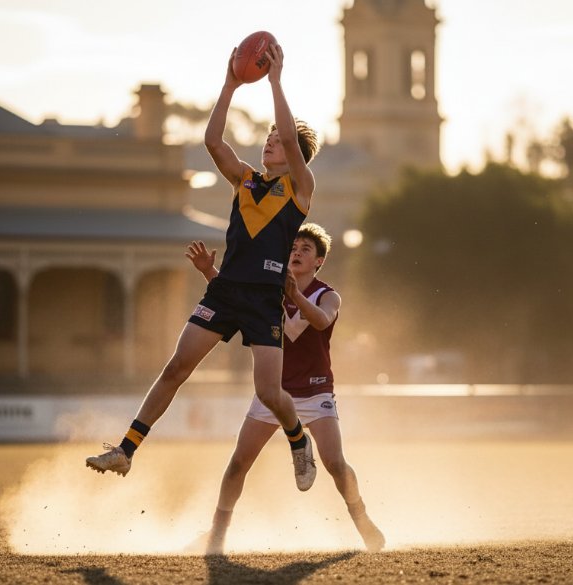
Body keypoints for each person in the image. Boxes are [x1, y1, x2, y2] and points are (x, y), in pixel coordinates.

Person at [86, 41, 321, 491]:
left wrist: (274, 80)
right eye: (269, 138)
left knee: (270, 393)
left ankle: (297, 441)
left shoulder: (301, 188)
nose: (272, 141)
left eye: (277, 140)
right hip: (226, 290)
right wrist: (230, 84)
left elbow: (292, 139)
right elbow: (213, 141)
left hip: (264, 300)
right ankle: (125, 451)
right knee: (176, 368)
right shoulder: (246, 180)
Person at [185, 224, 385, 554]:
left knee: (335, 462)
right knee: (238, 464)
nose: (296, 252)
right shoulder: (269, 289)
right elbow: (234, 302)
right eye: (293, 247)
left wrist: (293, 296)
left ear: (319, 261)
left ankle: (362, 520)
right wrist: (210, 273)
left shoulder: (327, 295)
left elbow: (316, 322)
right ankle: (217, 533)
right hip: (273, 393)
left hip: (316, 392)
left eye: (306, 248)